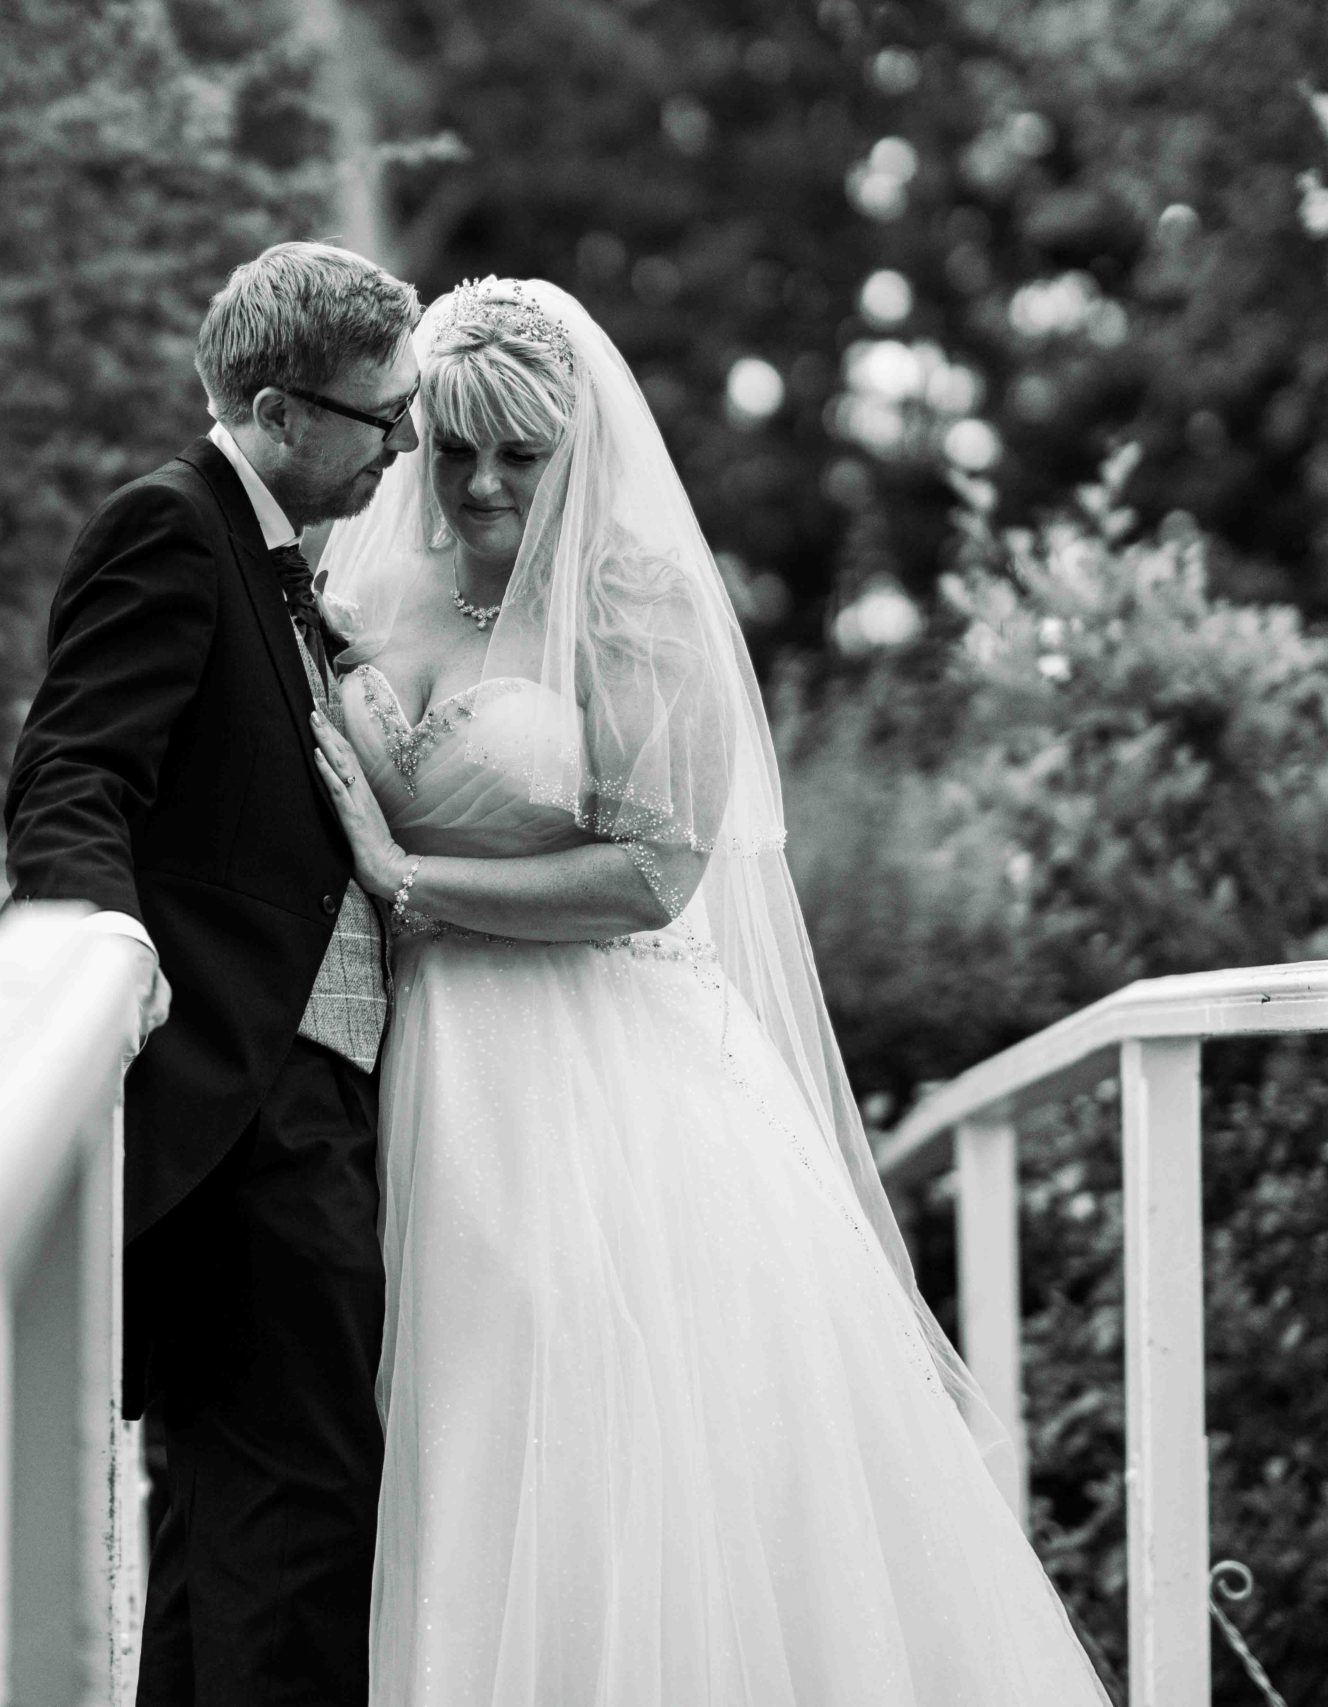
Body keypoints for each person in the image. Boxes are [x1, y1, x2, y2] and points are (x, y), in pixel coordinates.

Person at [304, 277, 1112, 1704]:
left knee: (600, 1419)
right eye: (455, 448)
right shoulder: (372, 581)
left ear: (578, 447)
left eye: (521, 453)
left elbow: (653, 877)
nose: (484, 482)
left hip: (596, 1077)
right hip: (411, 1059)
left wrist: (406, 882)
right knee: (446, 1423)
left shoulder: (637, 605)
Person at [1, 240, 421, 1707]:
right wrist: (105, 948)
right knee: (304, 1513)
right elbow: (72, 772)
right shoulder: (168, 529)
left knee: (227, 1527)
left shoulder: (279, 563)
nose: (405, 450)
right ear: (275, 406)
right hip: (242, 1106)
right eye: (384, 418)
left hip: (291, 1104)